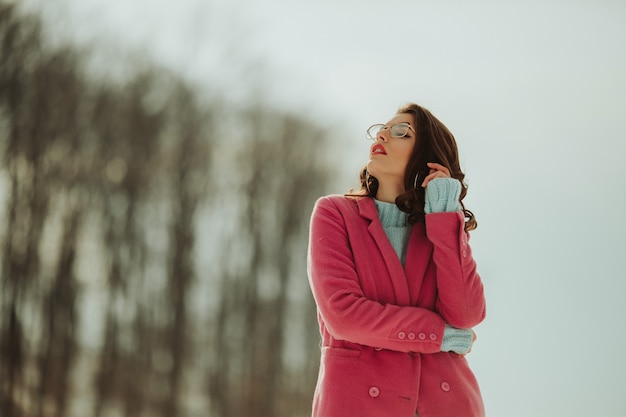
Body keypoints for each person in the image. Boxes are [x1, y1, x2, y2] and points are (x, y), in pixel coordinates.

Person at [307, 103, 486, 417]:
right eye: (382, 129)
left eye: (402, 131)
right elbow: (344, 316)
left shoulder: (439, 228)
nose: (384, 135)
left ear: (427, 157)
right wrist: (438, 335)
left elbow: (466, 313)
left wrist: (445, 216)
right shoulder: (335, 214)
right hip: (357, 405)